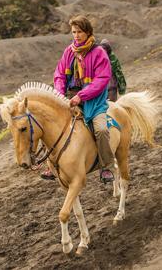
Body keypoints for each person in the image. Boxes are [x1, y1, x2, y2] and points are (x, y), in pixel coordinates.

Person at [41, 15, 115, 183]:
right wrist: (59, 94)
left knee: (101, 130)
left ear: (88, 32)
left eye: (79, 32)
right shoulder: (69, 51)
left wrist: (80, 97)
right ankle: (51, 166)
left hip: (93, 102)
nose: (76, 35)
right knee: (48, 125)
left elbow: (101, 80)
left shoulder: (99, 53)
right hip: (68, 98)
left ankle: (106, 167)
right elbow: (59, 74)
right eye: (73, 32)